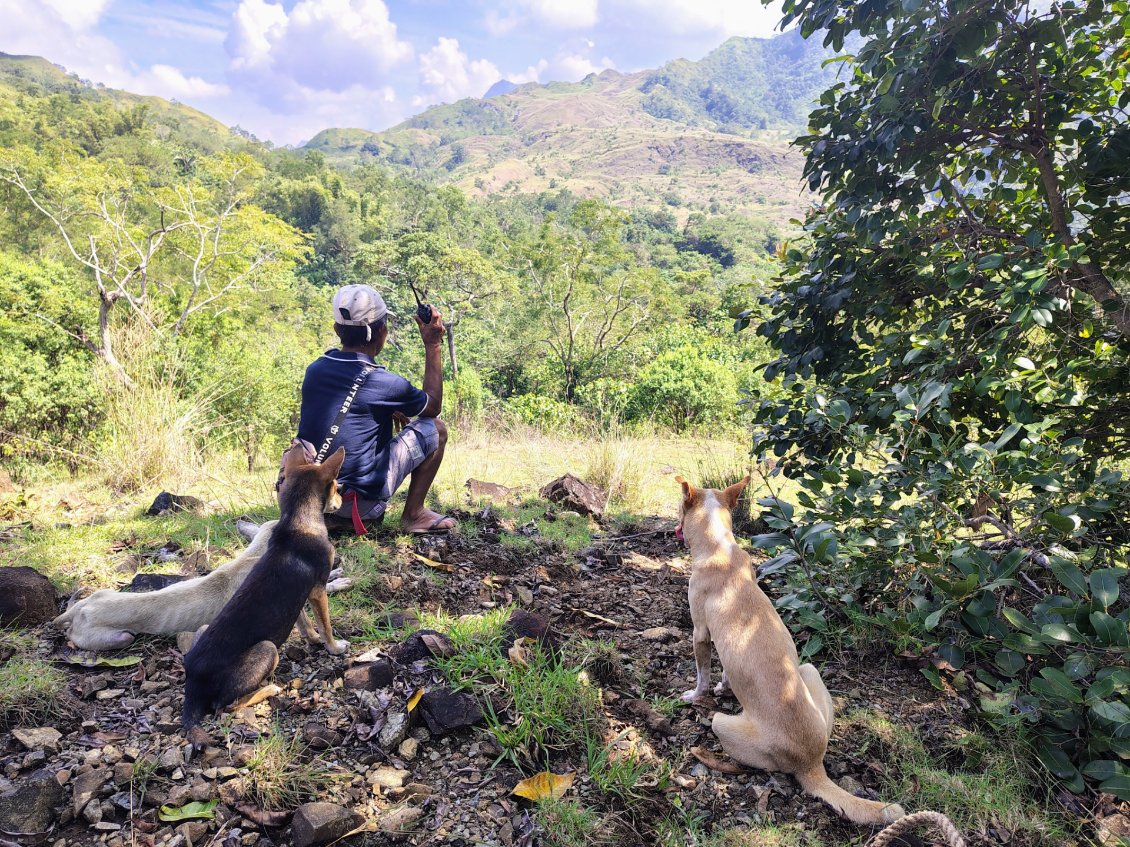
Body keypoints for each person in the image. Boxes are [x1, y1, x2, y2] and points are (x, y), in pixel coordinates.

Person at [295, 284, 455, 535]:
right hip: (358, 509)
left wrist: (386, 410)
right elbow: (432, 406)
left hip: (310, 505)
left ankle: (331, 515)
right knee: (436, 428)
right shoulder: (385, 383)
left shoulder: (315, 369)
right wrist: (433, 344)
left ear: (337, 329)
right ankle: (414, 514)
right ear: (381, 331)